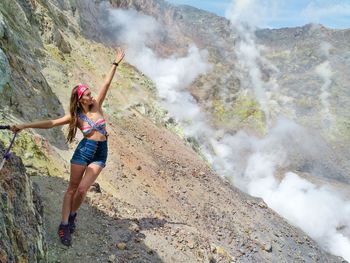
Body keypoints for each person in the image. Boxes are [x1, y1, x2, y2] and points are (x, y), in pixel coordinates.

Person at [11, 48, 125, 246]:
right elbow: (51, 123)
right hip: (84, 151)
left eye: (91, 94)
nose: (91, 97)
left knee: (82, 190)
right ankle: (64, 225)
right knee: (72, 189)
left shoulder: (97, 106)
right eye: (88, 95)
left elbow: (106, 84)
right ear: (80, 99)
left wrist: (115, 63)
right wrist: (25, 125)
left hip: (100, 153)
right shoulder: (75, 117)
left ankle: (72, 215)